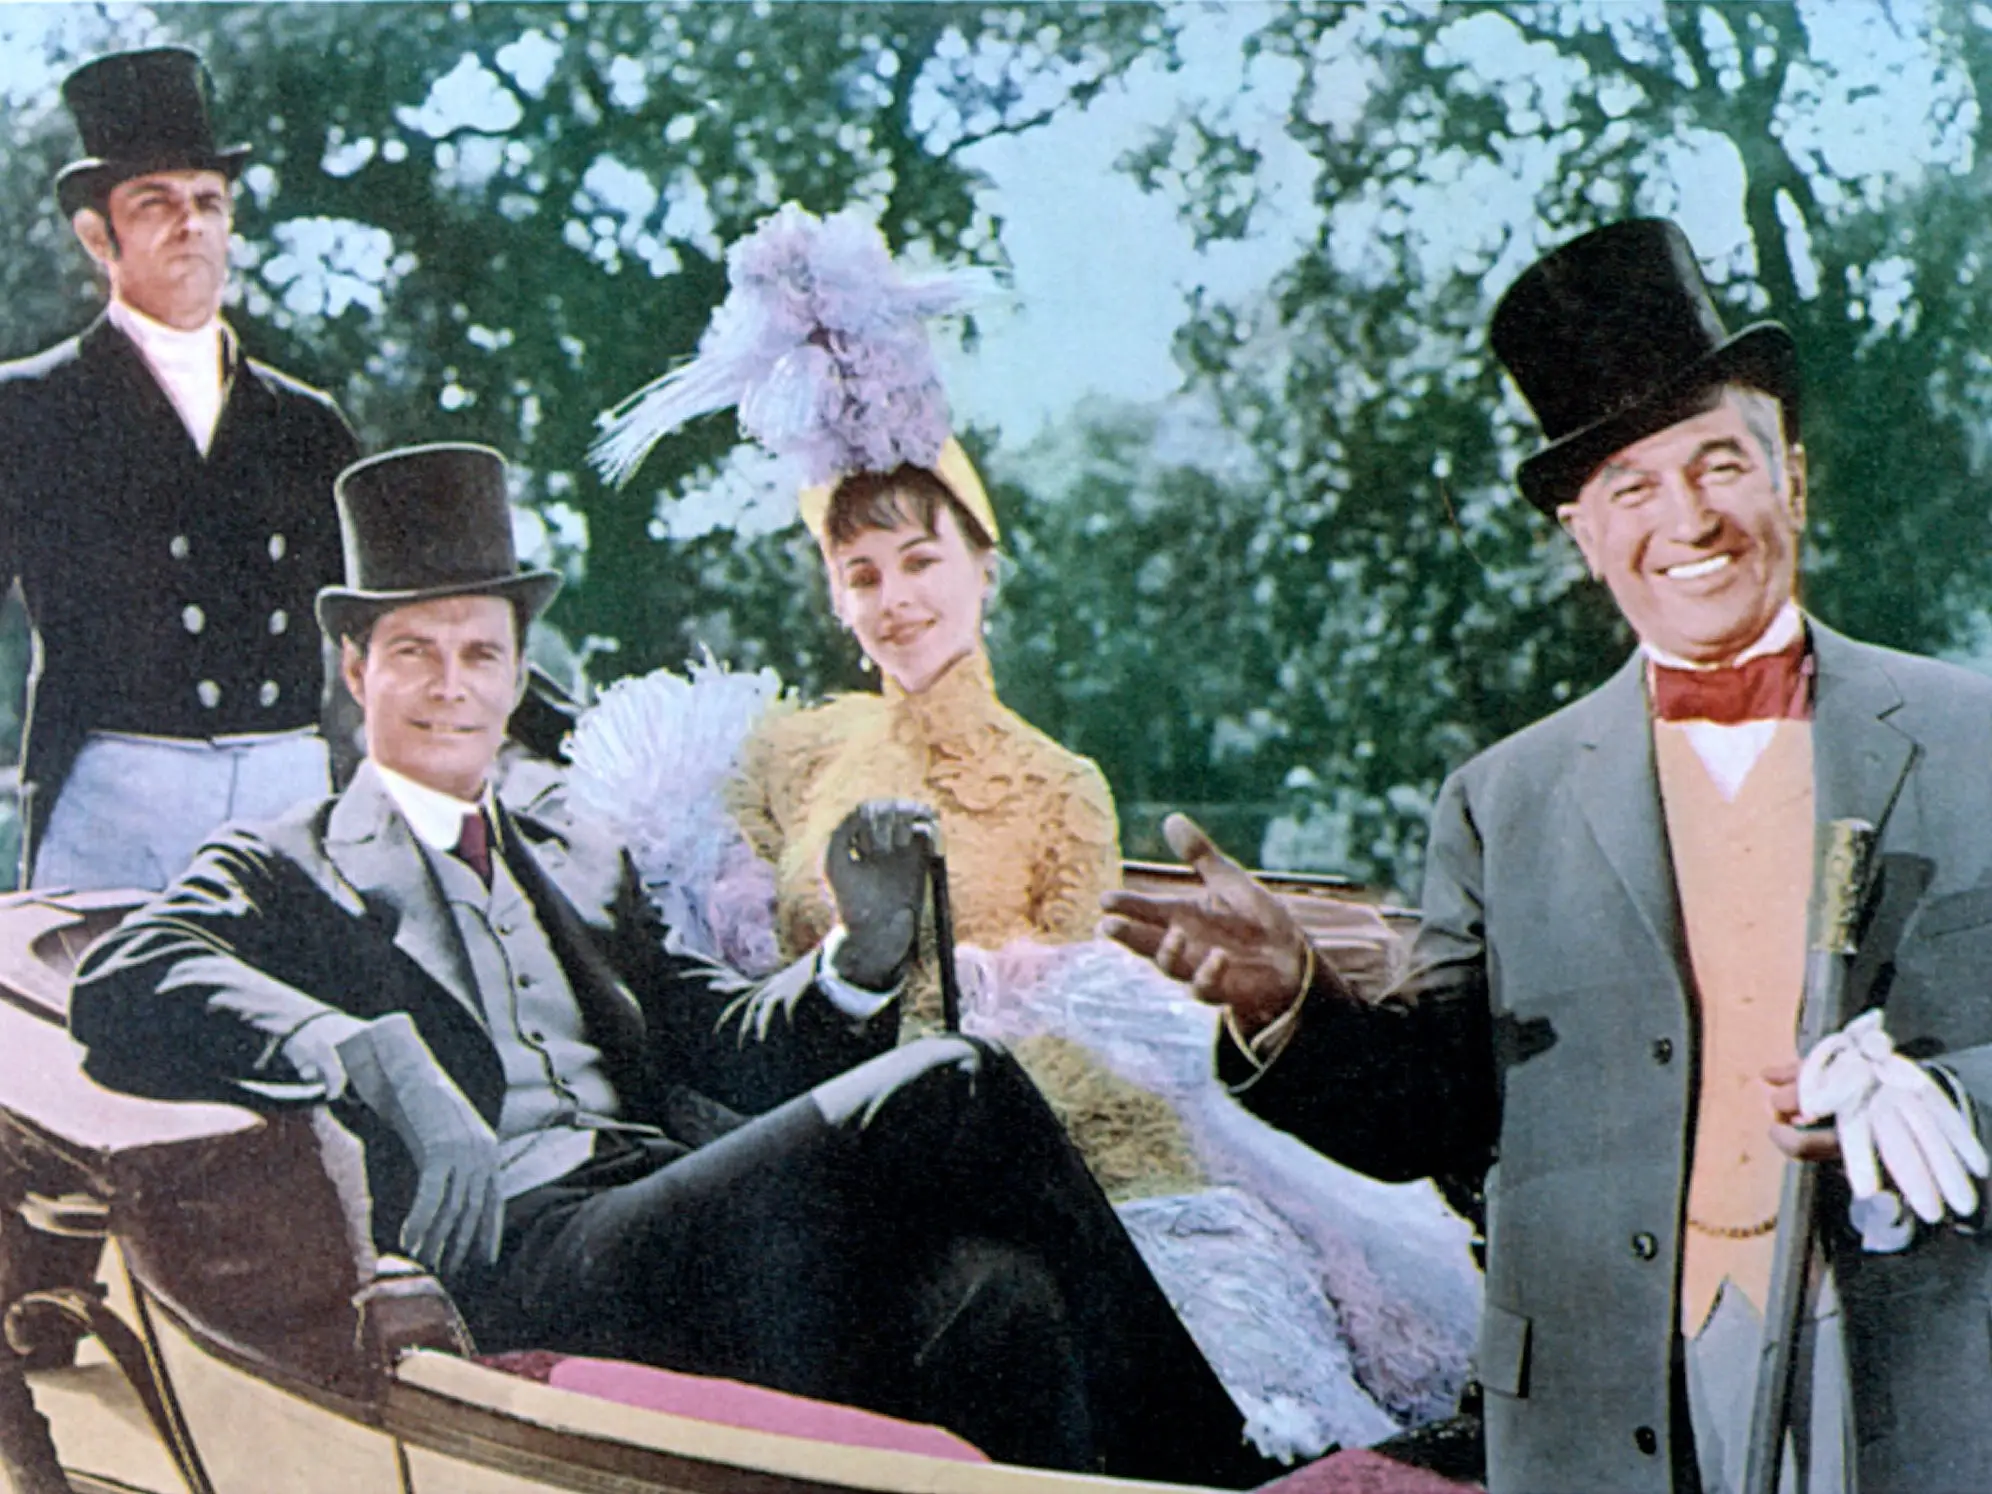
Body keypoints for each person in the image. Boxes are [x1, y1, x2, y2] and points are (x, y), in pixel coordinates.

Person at [67, 443, 1269, 1487]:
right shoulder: (284, 862)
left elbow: (735, 1048)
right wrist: (366, 1051)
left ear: (515, 672)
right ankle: (1241, 1473)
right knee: (956, 1078)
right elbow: (126, 974)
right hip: (517, 1259)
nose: (450, 687)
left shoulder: (583, 856)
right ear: (353, 669)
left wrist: (859, 954)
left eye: (480, 654)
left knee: (999, 1295)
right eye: (413, 652)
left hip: (670, 1221)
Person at [1102, 217, 1992, 1494]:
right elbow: (1438, 1113)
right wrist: (1287, 1003)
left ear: (1791, 477)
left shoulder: (1973, 739)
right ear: (1583, 533)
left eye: (1722, 464)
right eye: (1633, 487)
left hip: (1930, 1378)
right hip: (1599, 1409)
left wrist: (1952, 1103)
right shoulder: (1500, 803)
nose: (1689, 518)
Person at [0, 46, 357, 890]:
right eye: (154, 202)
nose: (189, 223)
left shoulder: (307, 422)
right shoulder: (29, 407)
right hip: (115, 790)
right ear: (99, 235)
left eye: (208, 201)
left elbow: (382, 621)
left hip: (287, 785)